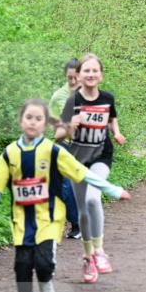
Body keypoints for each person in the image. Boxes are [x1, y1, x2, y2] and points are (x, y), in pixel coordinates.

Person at [0, 99, 130, 292]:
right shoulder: (9, 154)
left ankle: (46, 281)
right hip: (21, 221)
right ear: (20, 121)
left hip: (49, 219)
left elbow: (81, 173)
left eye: (39, 118)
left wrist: (114, 190)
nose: (33, 122)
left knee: (44, 262)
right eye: (29, 117)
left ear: (45, 124)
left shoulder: (53, 151)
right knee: (22, 265)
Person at [57, 54, 127, 283]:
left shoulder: (107, 98)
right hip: (77, 160)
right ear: (78, 75)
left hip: (101, 156)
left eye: (95, 71)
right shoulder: (73, 101)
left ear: (101, 75)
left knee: (92, 200)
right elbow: (58, 134)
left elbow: (112, 118)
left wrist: (116, 133)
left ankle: (99, 251)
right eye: (86, 71)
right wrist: (70, 126)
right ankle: (88, 258)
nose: (91, 74)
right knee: (82, 211)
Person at [49, 59, 82, 239]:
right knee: (65, 185)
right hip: (65, 144)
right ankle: (75, 222)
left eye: (75, 77)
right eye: (69, 78)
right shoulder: (58, 96)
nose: (72, 81)